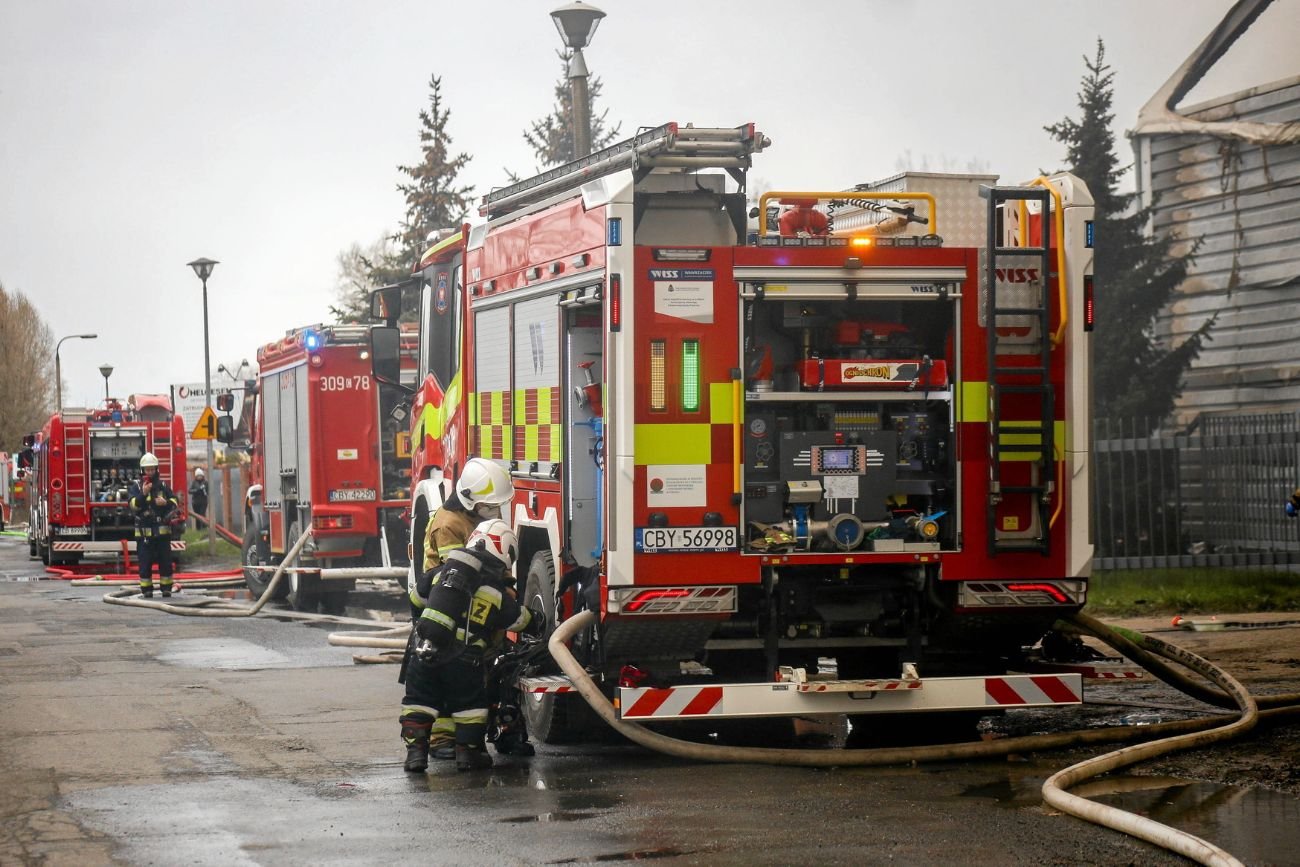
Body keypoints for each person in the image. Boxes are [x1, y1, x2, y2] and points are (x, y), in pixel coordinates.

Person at [400, 518, 543, 772]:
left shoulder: (440, 574)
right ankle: (469, 755)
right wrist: (540, 620)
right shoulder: (493, 591)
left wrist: (423, 625)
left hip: (423, 652)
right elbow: (518, 619)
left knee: (419, 701)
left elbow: (415, 598)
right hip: (464, 660)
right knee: (470, 706)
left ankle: (415, 756)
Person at [405, 458, 518, 760]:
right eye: (488, 507)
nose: (493, 512)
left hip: (464, 603)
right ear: (469, 498)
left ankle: (454, 740)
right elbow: (460, 571)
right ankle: (444, 739)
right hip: (452, 608)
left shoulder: (469, 517)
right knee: (449, 672)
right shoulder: (448, 524)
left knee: (466, 673)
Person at [131, 453, 180, 598]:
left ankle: (166, 588)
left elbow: (175, 501)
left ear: (156, 469)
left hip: (162, 534)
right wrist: (143, 494)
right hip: (144, 535)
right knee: (145, 564)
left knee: (165, 563)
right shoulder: (137, 486)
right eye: (147, 470)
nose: (150, 473)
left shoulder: (163, 485)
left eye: (152, 469)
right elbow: (132, 505)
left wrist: (166, 503)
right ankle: (146, 590)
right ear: (142, 471)